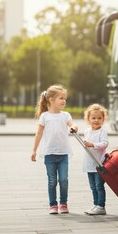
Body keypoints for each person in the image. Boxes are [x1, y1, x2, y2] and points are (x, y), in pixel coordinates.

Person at [31, 84, 78, 214]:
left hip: (63, 153)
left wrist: (75, 127)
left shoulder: (65, 115)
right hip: (49, 154)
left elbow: (71, 124)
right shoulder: (44, 116)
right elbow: (39, 134)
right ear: (51, 100)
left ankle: (63, 203)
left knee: (63, 180)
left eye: (65, 98)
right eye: (61, 98)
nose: (64, 101)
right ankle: (53, 204)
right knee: (52, 181)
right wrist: (34, 150)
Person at [81, 104, 109, 215]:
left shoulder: (102, 132)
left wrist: (92, 144)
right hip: (89, 163)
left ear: (103, 119)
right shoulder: (87, 131)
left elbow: (104, 143)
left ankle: (101, 206)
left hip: (99, 163)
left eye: (99, 118)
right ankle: (95, 204)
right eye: (93, 118)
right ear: (88, 119)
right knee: (93, 187)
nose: (96, 120)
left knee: (99, 185)